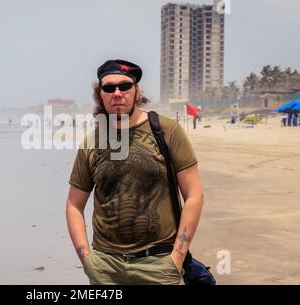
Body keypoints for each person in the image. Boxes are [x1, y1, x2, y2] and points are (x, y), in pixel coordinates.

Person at [66, 59, 204, 285]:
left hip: (159, 264)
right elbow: (73, 204)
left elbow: (195, 195)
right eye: (108, 88)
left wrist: (177, 257)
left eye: (125, 86)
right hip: (105, 267)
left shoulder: (167, 131)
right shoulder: (93, 141)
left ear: (136, 90)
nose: (117, 93)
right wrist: (88, 260)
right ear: (100, 94)